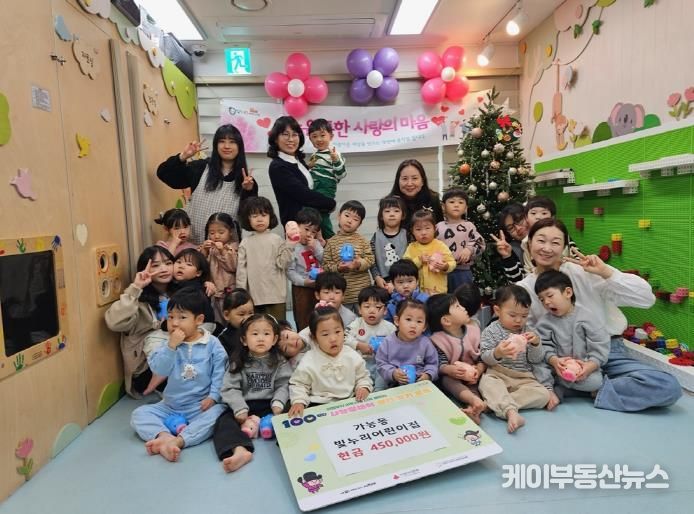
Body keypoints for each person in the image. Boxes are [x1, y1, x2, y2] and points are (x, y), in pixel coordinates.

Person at [517, 218, 681, 412]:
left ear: (564, 248)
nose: (547, 248)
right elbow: (529, 337)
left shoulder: (584, 272)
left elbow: (646, 299)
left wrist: (606, 272)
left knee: (667, 386)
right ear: (529, 244)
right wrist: (554, 362)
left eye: (555, 242)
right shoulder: (523, 289)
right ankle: (586, 385)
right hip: (561, 361)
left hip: (607, 351)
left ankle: (590, 390)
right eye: (541, 240)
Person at [130, 287, 228, 462]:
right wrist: (171, 347)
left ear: (199, 320)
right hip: (170, 405)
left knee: (220, 412)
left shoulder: (212, 344)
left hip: (199, 406)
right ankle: (164, 437)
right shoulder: (167, 344)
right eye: (170, 317)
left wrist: (213, 397)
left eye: (182, 317)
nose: (174, 323)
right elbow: (159, 370)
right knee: (139, 414)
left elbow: (220, 373)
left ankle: (181, 440)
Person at [214, 314, 292, 473]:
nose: (261, 338)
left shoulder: (280, 361)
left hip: (271, 404)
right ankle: (240, 450)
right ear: (244, 340)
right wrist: (239, 408)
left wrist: (278, 402)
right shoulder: (238, 361)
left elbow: (284, 384)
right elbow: (230, 388)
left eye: (266, 334)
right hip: (246, 404)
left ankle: (289, 446)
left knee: (292, 415)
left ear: (275, 339)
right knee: (224, 422)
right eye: (255, 334)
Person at [156, 124, 257, 243]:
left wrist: (248, 191)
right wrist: (183, 156)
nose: (227, 146)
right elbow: (163, 173)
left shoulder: (246, 181)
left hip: (226, 250)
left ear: (239, 146)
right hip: (193, 245)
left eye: (232, 142)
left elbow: (248, 220)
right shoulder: (200, 168)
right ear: (215, 145)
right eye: (222, 141)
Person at [478, 285, 555, 433]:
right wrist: (498, 353)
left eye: (524, 316)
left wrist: (536, 344)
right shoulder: (491, 331)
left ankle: (497, 404)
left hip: (523, 377)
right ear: (497, 311)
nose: (519, 320)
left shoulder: (529, 331)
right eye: (512, 315)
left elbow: (536, 359)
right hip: (498, 373)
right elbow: (485, 357)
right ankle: (510, 411)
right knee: (487, 383)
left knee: (543, 395)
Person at [105, 246, 174, 398]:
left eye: (168, 263)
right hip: (146, 368)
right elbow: (114, 322)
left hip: (176, 357)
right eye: (155, 265)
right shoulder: (138, 301)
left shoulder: (180, 292)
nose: (164, 269)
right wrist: (136, 287)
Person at [532, 269, 609, 398]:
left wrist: (589, 366)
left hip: (581, 367)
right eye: (542, 299)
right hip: (556, 367)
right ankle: (556, 386)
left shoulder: (588, 317)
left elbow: (600, 345)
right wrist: (554, 360)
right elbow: (543, 346)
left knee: (595, 382)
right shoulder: (544, 323)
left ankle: (562, 388)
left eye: (550, 296)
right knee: (537, 367)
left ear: (568, 292)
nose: (546, 302)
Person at [288, 306, 373, 417]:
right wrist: (299, 401)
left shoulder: (352, 355)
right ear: (314, 338)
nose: (333, 339)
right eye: (325, 334)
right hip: (318, 404)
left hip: (350, 400)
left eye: (337, 332)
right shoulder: (309, 360)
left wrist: (363, 387)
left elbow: (362, 377)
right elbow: (299, 384)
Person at [427, 293, 486, 424]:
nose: (463, 308)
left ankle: (475, 408)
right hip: (454, 376)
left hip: (475, 374)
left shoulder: (474, 331)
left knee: (483, 382)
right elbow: (439, 363)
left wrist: (479, 370)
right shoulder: (438, 340)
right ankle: (473, 401)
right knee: (448, 381)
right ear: (446, 320)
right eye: (457, 306)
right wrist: (450, 370)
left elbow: (482, 357)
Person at [267, 116, 336, 226]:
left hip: (312, 224)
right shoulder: (278, 166)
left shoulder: (298, 160)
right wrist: (331, 203)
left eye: (294, 134)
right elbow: (303, 194)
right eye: (285, 134)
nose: (291, 139)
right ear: (276, 138)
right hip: (296, 227)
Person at [236, 196, 296, 321]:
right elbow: (241, 271)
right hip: (254, 297)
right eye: (254, 216)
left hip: (276, 295)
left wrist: (290, 245)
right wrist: (241, 294)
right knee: (256, 327)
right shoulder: (245, 243)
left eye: (263, 215)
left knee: (278, 327)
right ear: (247, 219)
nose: (259, 219)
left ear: (270, 217)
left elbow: (283, 264)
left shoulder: (277, 240)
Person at [322, 200, 375, 310]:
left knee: (363, 318)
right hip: (342, 295)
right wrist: (338, 267)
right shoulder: (331, 242)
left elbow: (370, 259)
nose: (350, 221)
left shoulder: (362, 241)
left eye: (355, 219)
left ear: (360, 224)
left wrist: (358, 263)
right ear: (339, 216)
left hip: (362, 293)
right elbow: (326, 265)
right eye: (347, 215)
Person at [376, 299, 438, 387]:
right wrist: (393, 373)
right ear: (397, 321)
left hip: (418, 381)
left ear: (424, 327)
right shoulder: (387, 342)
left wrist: (428, 375)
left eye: (419, 321)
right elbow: (381, 363)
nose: (413, 325)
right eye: (408, 319)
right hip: (392, 380)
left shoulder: (426, 343)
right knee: (380, 384)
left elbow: (433, 363)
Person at [345, 286, 396, 391]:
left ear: (385, 310)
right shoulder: (357, 324)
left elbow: (397, 346)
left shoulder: (390, 327)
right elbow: (343, 337)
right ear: (360, 309)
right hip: (360, 363)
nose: (372, 311)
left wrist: (385, 350)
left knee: (384, 374)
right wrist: (358, 345)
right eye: (367, 306)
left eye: (377, 307)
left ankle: (379, 391)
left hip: (381, 364)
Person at [436, 188, 485, 291]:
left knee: (464, 297)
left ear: (466, 208)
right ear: (443, 206)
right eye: (452, 202)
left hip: (463, 272)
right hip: (441, 271)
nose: (456, 205)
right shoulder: (438, 227)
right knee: (443, 298)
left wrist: (469, 249)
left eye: (461, 202)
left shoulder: (469, 226)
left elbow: (480, 242)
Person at [307, 118, 347, 239]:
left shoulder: (335, 154)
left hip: (326, 189)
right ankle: (318, 240)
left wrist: (335, 160)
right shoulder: (314, 155)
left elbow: (341, 175)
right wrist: (308, 166)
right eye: (314, 136)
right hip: (314, 189)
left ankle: (331, 240)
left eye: (322, 135)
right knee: (312, 216)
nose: (319, 139)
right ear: (310, 139)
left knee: (322, 217)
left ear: (331, 136)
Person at [286, 207, 324, 331]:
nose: (309, 234)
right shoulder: (292, 247)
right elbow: (290, 271)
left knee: (319, 316)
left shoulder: (316, 244)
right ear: (297, 226)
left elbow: (325, 261)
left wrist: (316, 248)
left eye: (313, 232)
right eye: (306, 229)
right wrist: (304, 282)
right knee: (302, 318)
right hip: (301, 287)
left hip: (318, 286)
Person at [404, 209, 456, 295]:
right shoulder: (411, 247)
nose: (423, 232)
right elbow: (405, 267)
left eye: (427, 228)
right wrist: (419, 260)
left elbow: (452, 262)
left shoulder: (440, 245)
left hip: (437, 291)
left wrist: (445, 266)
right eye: (418, 229)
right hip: (416, 292)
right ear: (412, 231)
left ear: (435, 229)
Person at [199, 213, 239, 325]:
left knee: (231, 319)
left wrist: (222, 251)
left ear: (230, 232)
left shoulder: (234, 247)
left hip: (229, 292)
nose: (216, 236)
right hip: (213, 293)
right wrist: (204, 251)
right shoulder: (208, 248)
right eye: (212, 233)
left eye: (221, 232)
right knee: (217, 322)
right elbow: (200, 267)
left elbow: (233, 267)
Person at [388, 159, 443, 229]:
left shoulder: (433, 199)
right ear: (398, 181)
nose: (409, 183)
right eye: (405, 179)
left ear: (422, 181)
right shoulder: (389, 203)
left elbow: (440, 229)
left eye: (414, 178)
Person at [370, 196, 408, 292]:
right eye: (387, 211)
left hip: (405, 281)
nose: (392, 214)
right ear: (381, 216)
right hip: (382, 282)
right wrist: (377, 277)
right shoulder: (376, 237)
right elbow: (371, 260)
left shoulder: (407, 235)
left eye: (396, 211)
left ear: (403, 215)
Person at [217, 288, 254, 357]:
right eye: (241, 314)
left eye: (251, 313)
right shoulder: (223, 338)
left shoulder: (257, 332)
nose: (247, 318)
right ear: (226, 315)